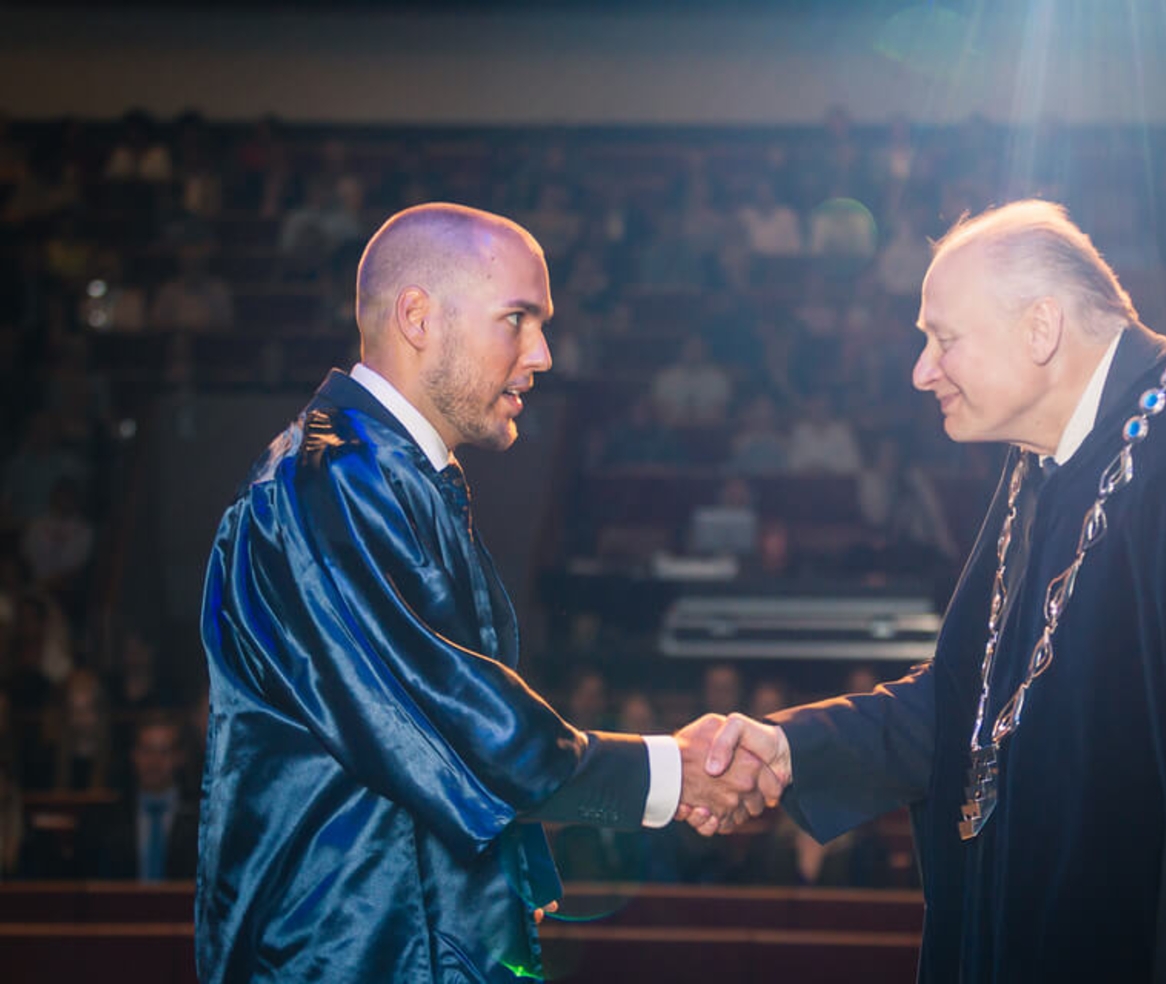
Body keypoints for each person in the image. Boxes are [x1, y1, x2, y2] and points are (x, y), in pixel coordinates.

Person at [700, 200, 1166, 982]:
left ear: (1041, 328)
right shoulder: (1042, 459)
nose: (922, 371)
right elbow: (972, 703)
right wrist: (790, 747)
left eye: (944, 339)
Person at [197, 203, 777, 983]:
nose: (542, 354)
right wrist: (669, 772)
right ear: (417, 318)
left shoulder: (383, 477)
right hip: (344, 954)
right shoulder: (327, 483)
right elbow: (446, 716)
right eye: (517, 319)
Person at [75, 710, 199, 880]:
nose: (154, 761)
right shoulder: (102, 820)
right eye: (147, 750)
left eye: (164, 752)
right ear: (134, 755)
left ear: (179, 757)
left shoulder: (201, 819)